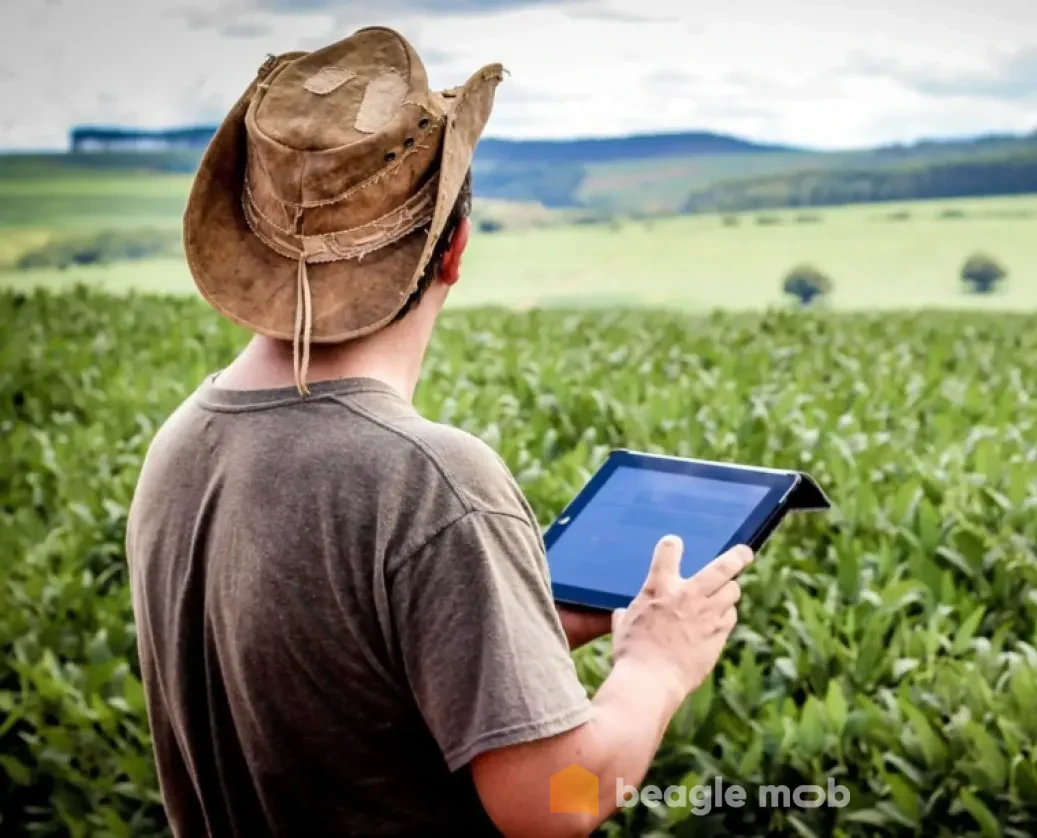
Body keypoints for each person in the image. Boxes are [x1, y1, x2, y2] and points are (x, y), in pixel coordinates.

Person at [125, 26, 752, 837]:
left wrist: (532, 629)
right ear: (453, 248)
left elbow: (339, 684)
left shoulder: (182, 441)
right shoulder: (426, 478)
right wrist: (656, 665)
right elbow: (554, 805)